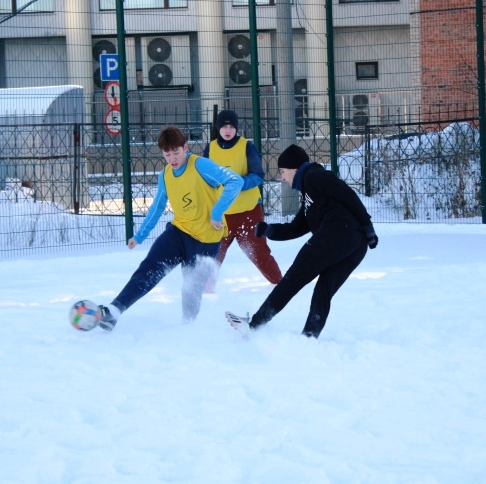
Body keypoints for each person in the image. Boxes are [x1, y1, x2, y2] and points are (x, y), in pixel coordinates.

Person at [97, 126, 242, 331]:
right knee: (148, 270)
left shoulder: (201, 165)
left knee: (191, 289)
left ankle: (187, 328)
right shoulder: (166, 174)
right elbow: (157, 206)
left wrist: (217, 213)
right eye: (167, 154)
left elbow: (236, 181)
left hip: (206, 242)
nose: (172, 158)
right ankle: (114, 311)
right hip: (178, 233)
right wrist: (140, 235)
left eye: (176, 152)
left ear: (186, 147)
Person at [225, 144, 378, 338]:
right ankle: (309, 336)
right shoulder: (310, 194)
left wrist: (368, 225)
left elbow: (348, 194)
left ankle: (254, 324)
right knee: (324, 289)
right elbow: (297, 227)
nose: (282, 178)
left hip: (338, 233)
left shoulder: (314, 176)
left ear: (293, 168)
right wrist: (270, 230)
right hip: (356, 245)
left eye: (282, 171)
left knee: (293, 278)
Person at [202, 109, 282, 292]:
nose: (228, 130)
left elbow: (258, 175)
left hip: (249, 211)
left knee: (259, 253)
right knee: (213, 254)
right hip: (222, 215)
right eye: (224, 126)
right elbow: (205, 178)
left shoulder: (246, 146)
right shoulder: (210, 148)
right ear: (218, 128)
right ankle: (205, 294)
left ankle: (280, 285)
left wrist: (238, 184)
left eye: (231, 126)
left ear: (236, 128)